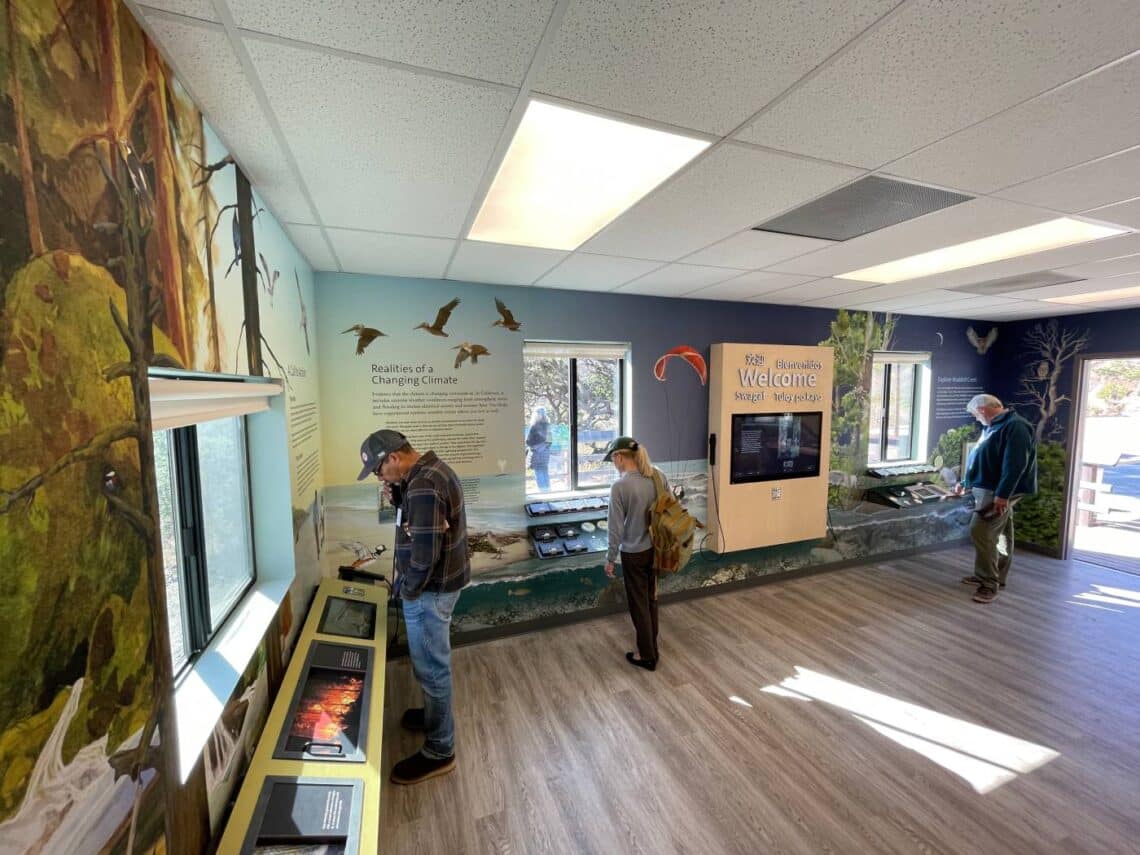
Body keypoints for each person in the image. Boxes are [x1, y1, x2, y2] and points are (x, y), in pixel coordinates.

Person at [356, 428, 470, 783]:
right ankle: (435, 718)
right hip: (442, 586)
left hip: (429, 593)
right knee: (432, 665)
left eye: (378, 469)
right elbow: (422, 526)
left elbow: (424, 555)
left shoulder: (422, 486)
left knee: (432, 669)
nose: (378, 476)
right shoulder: (430, 472)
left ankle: (440, 749)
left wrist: (408, 591)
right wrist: (397, 496)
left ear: (393, 457)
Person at [954, 394, 1037, 604]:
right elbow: (980, 458)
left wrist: (1002, 495)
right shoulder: (993, 426)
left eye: (974, 414)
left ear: (982, 410)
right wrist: (966, 482)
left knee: (980, 531)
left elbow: (1015, 465)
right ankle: (995, 575)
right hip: (989, 488)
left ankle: (989, 583)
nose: (975, 418)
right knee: (1001, 532)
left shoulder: (1016, 427)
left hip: (998, 491)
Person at [602, 436, 666, 671]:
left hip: (634, 553)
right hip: (658, 549)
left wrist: (610, 558)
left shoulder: (620, 486)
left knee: (639, 604)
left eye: (612, 459)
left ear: (619, 457)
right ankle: (653, 648)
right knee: (652, 600)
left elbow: (615, 528)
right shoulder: (658, 476)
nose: (613, 464)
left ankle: (647, 656)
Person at [526, 406, 552, 491]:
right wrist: (544, 446)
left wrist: (535, 446)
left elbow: (528, 441)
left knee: (538, 472)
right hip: (545, 453)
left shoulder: (534, 427)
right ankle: (548, 491)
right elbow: (550, 441)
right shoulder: (548, 426)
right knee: (545, 471)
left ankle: (542, 492)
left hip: (537, 453)